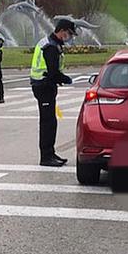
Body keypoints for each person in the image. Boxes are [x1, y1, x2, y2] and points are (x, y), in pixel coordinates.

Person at [30, 19, 76, 167]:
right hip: (43, 86)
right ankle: (46, 157)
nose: (69, 37)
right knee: (47, 122)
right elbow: (52, 71)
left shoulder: (52, 43)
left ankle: (50, 153)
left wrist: (59, 79)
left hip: (45, 85)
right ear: (62, 31)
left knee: (51, 121)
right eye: (69, 33)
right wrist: (66, 79)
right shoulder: (51, 46)